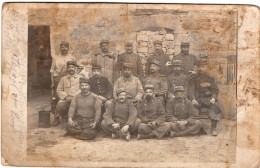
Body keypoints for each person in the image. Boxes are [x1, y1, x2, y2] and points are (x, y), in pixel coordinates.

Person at [189, 58, 222, 136]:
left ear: (206, 67)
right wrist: (193, 99)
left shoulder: (210, 78)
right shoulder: (194, 78)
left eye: (203, 67)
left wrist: (213, 98)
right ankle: (195, 128)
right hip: (198, 99)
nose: (201, 69)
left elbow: (215, 90)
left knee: (215, 107)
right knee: (191, 108)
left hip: (208, 99)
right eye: (199, 67)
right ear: (197, 68)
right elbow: (191, 90)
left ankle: (213, 128)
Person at [52, 61, 81, 126]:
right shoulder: (63, 79)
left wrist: (75, 97)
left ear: (75, 68)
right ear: (67, 69)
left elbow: (82, 89)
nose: (71, 69)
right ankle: (65, 117)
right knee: (60, 106)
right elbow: (58, 90)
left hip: (77, 99)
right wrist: (66, 97)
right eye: (69, 67)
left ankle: (75, 119)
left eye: (72, 67)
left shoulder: (80, 78)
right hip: (66, 99)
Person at [50, 42, 77, 112]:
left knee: (66, 95)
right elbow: (52, 70)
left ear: (68, 48)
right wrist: (52, 82)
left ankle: (67, 113)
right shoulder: (56, 58)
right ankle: (56, 116)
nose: (63, 49)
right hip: (57, 79)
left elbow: (77, 67)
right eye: (62, 47)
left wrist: (74, 76)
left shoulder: (72, 58)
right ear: (60, 48)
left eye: (65, 47)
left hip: (67, 79)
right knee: (56, 97)